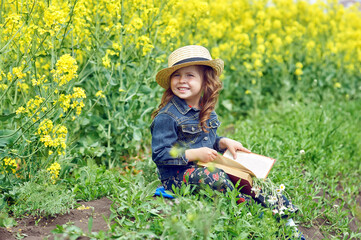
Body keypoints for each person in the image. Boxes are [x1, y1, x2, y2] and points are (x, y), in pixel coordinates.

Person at [150, 45, 304, 239]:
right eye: (176, 75)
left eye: (189, 75)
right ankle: (250, 212)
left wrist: (223, 142)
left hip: (206, 165)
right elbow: (160, 154)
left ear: (205, 80)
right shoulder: (167, 116)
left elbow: (206, 140)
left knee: (251, 177)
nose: (182, 81)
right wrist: (194, 155)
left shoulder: (206, 109)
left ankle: (285, 216)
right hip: (177, 176)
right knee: (218, 178)